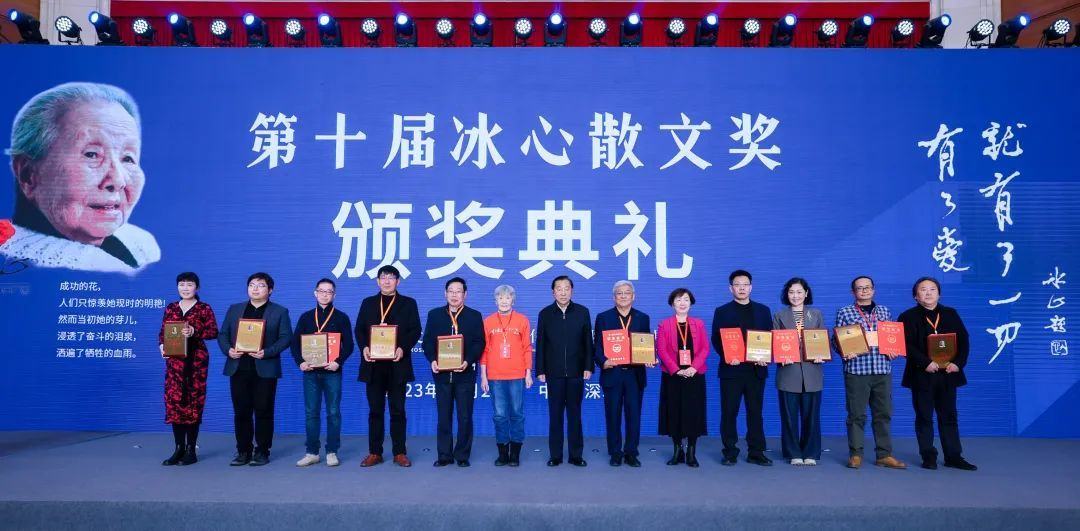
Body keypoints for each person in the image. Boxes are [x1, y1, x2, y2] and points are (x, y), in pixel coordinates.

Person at [1, 82, 159, 273]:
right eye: (91, 154)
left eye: (128, 158)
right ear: (28, 175)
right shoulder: (22, 262)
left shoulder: (142, 244)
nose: (118, 180)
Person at [898, 277, 976, 471]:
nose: (928, 293)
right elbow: (905, 345)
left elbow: (964, 341)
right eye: (923, 289)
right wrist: (925, 362)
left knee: (949, 416)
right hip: (921, 374)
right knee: (924, 417)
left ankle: (953, 456)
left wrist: (958, 364)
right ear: (916, 296)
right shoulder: (907, 316)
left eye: (932, 289)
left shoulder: (950, 314)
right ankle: (928, 456)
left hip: (948, 374)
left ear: (939, 294)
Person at [218, 272, 292, 466]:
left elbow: (286, 338)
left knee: (264, 411)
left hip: (265, 368)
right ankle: (243, 450)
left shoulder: (280, 311)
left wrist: (267, 352)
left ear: (270, 290)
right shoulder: (235, 309)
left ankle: (262, 451)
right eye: (252, 285)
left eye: (260, 285)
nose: (255, 289)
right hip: (238, 367)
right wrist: (228, 350)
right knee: (241, 411)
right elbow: (223, 334)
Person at [833, 276, 906, 470]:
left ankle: (884, 454)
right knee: (856, 415)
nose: (864, 291)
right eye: (860, 288)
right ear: (853, 292)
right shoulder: (845, 312)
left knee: (883, 413)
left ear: (873, 290)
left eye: (867, 287)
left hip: (882, 369)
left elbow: (892, 338)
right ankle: (856, 454)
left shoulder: (884, 311)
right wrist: (844, 350)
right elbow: (836, 340)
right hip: (857, 370)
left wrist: (894, 350)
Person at [354, 265, 422, 468]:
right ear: (378, 281)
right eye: (383, 277)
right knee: (375, 410)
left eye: (391, 277)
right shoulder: (368, 303)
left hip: (397, 365)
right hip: (373, 366)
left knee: (398, 411)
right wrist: (365, 347)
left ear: (398, 281)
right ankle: (375, 452)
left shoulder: (408, 303)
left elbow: (415, 330)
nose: (387, 281)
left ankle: (399, 452)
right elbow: (359, 329)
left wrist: (403, 348)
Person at [290, 278, 354, 468]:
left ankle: (332, 451)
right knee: (311, 413)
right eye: (322, 291)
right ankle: (312, 452)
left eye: (329, 292)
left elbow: (349, 345)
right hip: (310, 372)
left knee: (333, 412)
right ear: (315, 293)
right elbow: (295, 344)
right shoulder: (306, 317)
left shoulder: (341, 317)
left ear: (334, 295)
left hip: (332, 372)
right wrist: (301, 362)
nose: (325, 295)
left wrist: (338, 362)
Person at [711, 269, 773, 466]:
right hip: (731, 370)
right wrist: (728, 356)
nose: (742, 288)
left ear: (751, 287)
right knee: (729, 412)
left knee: (755, 412)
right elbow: (716, 339)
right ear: (731, 288)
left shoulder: (763, 310)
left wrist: (766, 357)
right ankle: (730, 452)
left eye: (745, 284)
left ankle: (756, 452)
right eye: (737, 285)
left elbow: (770, 338)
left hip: (756, 370)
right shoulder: (722, 311)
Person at [422, 277, 485, 467]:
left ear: (465, 294)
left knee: (465, 417)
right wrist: (433, 360)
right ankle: (444, 455)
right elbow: (427, 342)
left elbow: (479, 343)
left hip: (465, 374)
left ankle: (462, 455)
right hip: (441, 375)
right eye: (451, 291)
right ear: (445, 294)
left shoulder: (474, 316)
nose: (454, 295)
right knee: (443, 416)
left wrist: (467, 361)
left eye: (458, 291)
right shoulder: (435, 315)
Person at [158, 272, 217, 466]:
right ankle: (178, 448)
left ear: (197, 288)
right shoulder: (171, 307)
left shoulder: (204, 308)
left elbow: (213, 332)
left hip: (196, 364)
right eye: (181, 284)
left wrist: (194, 331)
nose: (185, 288)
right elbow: (162, 332)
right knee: (174, 403)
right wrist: (162, 347)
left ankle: (191, 449)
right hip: (175, 363)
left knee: (193, 404)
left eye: (189, 284)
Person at [592, 280, 652, 467]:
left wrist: (648, 357)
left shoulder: (643, 318)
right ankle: (615, 452)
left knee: (634, 415)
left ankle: (631, 452)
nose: (623, 296)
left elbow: (645, 344)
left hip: (635, 374)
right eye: (619, 293)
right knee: (613, 415)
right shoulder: (604, 317)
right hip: (613, 373)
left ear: (633, 296)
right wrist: (603, 361)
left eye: (627, 293)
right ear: (614, 297)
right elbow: (597, 346)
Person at [536, 275, 593, 467]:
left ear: (572, 291)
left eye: (566, 288)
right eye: (559, 289)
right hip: (554, 373)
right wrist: (540, 369)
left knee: (575, 415)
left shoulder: (582, 312)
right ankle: (556, 455)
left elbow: (588, 342)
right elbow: (541, 343)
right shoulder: (545, 313)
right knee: (555, 415)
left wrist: (588, 366)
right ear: (553, 292)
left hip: (577, 372)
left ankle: (576, 455)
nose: (563, 292)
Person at [772, 278, 825, 466]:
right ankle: (793, 452)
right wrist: (780, 355)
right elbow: (774, 342)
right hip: (788, 371)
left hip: (812, 371)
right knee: (789, 415)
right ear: (786, 294)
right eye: (791, 292)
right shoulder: (779, 315)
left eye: (799, 292)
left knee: (812, 416)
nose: (795, 296)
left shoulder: (816, 314)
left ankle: (810, 452)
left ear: (806, 293)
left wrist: (821, 354)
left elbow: (822, 340)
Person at [479, 285, 533, 467]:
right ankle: (503, 453)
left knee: (517, 414)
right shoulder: (488, 322)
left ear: (513, 300)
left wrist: (528, 373)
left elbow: (527, 348)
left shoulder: (522, 320)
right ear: (495, 301)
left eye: (507, 298)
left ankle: (515, 454)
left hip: (517, 375)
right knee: (500, 415)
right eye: (500, 298)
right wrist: (483, 376)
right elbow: (484, 350)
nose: (504, 301)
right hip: (495, 377)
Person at [656, 288, 709, 468]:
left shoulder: (699, 324)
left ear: (691, 303)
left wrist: (694, 367)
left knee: (693, 412)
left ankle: (691, 451)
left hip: (695, 375)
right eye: (678, 300)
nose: (682, 303)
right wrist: (676, 369)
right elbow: (662, 350)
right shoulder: (664, 325)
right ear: (672, 304)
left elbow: (705, 348)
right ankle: (677, 450)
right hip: (673, 376)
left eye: (686, 299)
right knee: (674, 412)